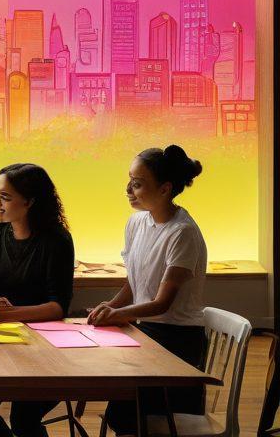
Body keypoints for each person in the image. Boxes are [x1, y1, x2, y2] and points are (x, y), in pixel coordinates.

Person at [89, 145, 207, 435]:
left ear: (165, 189)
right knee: (122, 413)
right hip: (148, 331)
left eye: (138, 184)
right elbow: (136, 279)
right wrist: (112, 306)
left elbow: (162, 303)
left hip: (176, 339)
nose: (128, 189)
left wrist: (118, 314)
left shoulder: (182, 232)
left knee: (138, 418)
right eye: (129, 180)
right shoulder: (137, 222)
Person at [0, 163, 74, 437]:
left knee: (24, 416)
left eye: (5, 197)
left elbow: (58, 307)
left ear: (30, 201)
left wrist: (11, 313)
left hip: (45, 349)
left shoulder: (57, 240)